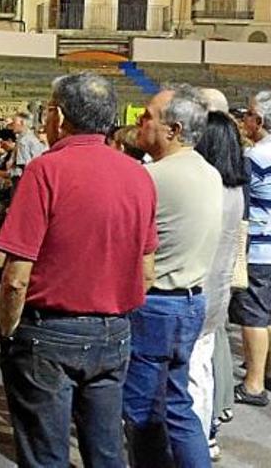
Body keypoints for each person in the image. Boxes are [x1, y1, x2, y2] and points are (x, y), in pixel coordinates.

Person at [0, 73, 158, 468]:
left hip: (49, 331)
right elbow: (147, 270)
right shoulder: (138, 175)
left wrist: (7, 329)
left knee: (44, 452)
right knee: (105, 452)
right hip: (114, 330)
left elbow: (16, 277)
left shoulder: (46, 170)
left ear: (61, 115)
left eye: (49, 111)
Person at [127, 84, 222, 468]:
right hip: (191, 301)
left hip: (156, 304)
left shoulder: (154, 177)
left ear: (174, 129)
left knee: (142, 413)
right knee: (177, 403)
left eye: (148, 116)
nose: (140, 121)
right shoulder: (209, 172)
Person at [189, 111, 248, 461]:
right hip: (219, 292)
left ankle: (195, 440)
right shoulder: (236, 189)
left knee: (193, 372)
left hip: (197, 289)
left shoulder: (207, 188)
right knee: (204, 367)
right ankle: (208, 433)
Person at [230, 90, 271, 408]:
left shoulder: (255, 157)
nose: (244, 120)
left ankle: (254, 384)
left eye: (247, 115)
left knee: (255, 316)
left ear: (259, 121)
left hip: (259, 247)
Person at [11, 111, 47, 187]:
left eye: (14, 122)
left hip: (22, 179)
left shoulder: (24, 141)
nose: (12, 125)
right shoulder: (32, 137)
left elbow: (23, 164)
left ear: (22, 123)